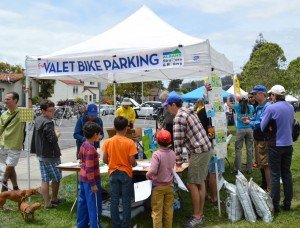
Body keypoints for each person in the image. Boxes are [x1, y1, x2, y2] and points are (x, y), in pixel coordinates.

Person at [163, 94, 212, 227]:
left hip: (199, 151)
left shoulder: (178, 117)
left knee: (191, 184)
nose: (167, 110)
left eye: (167, 106)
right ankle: (200, 213)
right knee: (200, 181)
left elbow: (177, 142)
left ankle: (197, 217)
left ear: (173, 105)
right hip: (206, 148)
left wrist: (178, 162)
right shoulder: (189, 110)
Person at [261, 85, 294, 212]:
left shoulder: (272, 108)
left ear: (274, 95)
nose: (270, 97)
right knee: (286, 173)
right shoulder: (290, 107)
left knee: (275, 175)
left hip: (275, 145)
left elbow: (263, 125)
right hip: (288, 144)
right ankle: (287, 203)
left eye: (271, 95)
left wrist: (270, 126)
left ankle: (275, 204)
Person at [102, 116, 137, 228]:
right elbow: (132, 160)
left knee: (114, 199)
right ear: (126, 128)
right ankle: (125, 224)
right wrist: (134, 164)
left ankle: (115, 224)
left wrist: (112, 163)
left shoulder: (108, 141)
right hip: (126, 172)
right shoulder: (129, 142)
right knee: (126, 200)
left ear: (114, 127)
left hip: (113, 172)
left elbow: (104, 159)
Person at [31, 99, 63, 208]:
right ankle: (53, 199)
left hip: (41, 154)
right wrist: (57, 134)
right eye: (50, 110)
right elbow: (52, 139)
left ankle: (47, 203)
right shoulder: (48, 122)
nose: (52, 112)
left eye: (53, 110)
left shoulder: (38, 119)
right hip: (51, 155)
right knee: (56, 178)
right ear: (43, 111)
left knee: (45, 179)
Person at [0, 91, 32, 192]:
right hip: (3, 145)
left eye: (8, 99)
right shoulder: (4, 115)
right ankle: (15, 188)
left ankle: (4, 183)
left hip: (15, 145)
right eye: (5, 99)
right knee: (11, 167)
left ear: (15, 101)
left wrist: (28, 96)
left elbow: (30, 110)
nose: (5, 101)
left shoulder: (21, 113)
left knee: (9, 166)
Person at [242, 85, 270, 191]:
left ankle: (269, 187)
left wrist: (250, 122)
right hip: (258, 138)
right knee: (262, 164)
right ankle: (265, 184)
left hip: (264, 139)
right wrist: (250, 119)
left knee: (266, 165)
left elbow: (262, 123)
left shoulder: (267, 107)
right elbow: (255, 118)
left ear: (261, 94)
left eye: (254, 94)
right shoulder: (259, 106)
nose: (253, 96)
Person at [146, 130, 176, 228]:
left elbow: (153, 170)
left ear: (157, 141)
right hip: (169, 185)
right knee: (168, 210)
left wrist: (147, 175)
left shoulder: (156, 154)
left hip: (158, 186)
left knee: (157, 211)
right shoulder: (172, 153)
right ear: (169, 142)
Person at [77, 122, 103, 228]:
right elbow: (89, 168)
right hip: (91, 181)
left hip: (83, 178)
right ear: (95, 135)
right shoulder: (91, 149)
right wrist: (93, 184)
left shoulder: (84, 144)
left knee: (82, 203)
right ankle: (94, 225)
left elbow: (80, 156)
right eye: (100, 134)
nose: (100, 136)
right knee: (94, 206)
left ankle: (81, 225)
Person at [227, 94, 254, 174]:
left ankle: (238, 169)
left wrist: (228, 98)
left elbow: (228, 104)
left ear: (239, 101)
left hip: (240, 129)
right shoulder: (251, 107)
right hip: (249, 129)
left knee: (238, 149)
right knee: (249, 149)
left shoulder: (237, 107)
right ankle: (249, 169)